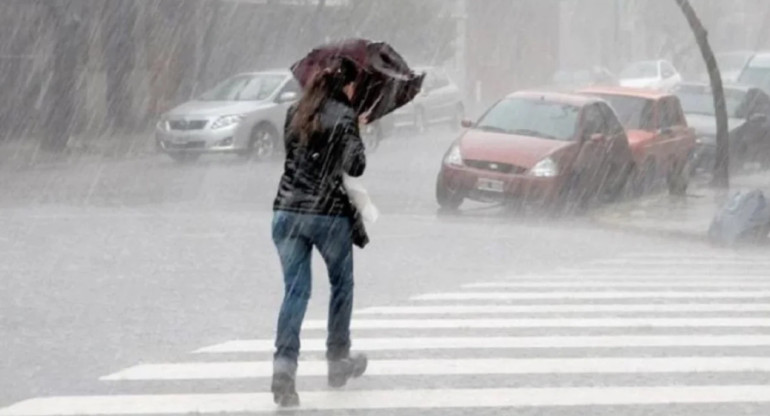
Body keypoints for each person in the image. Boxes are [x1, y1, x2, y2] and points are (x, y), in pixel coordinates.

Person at [271, 57, 368, 407]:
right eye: (355, 85)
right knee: (341, 284)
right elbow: (355, 165)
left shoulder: (295, 111)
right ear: (346, 85)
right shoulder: (344, 115)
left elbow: (296, 155)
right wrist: (357, 128)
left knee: (295, 293)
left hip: (286, 212)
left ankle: (283, 368)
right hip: (327, 215)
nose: (355, 91)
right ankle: (337, 360)